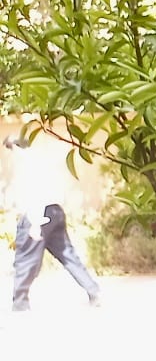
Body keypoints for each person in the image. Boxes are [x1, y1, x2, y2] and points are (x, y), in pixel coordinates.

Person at [5, 133, 102, 312]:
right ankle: (93, 291)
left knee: (26, 258)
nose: (10, 152)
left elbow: (33, 193)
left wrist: (35, 222)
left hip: (38, 214)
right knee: (68, 255)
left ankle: (20, 302)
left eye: (10, 148)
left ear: (16, 147)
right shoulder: (42, 159)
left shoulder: (26, 164)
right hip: (55, 210)